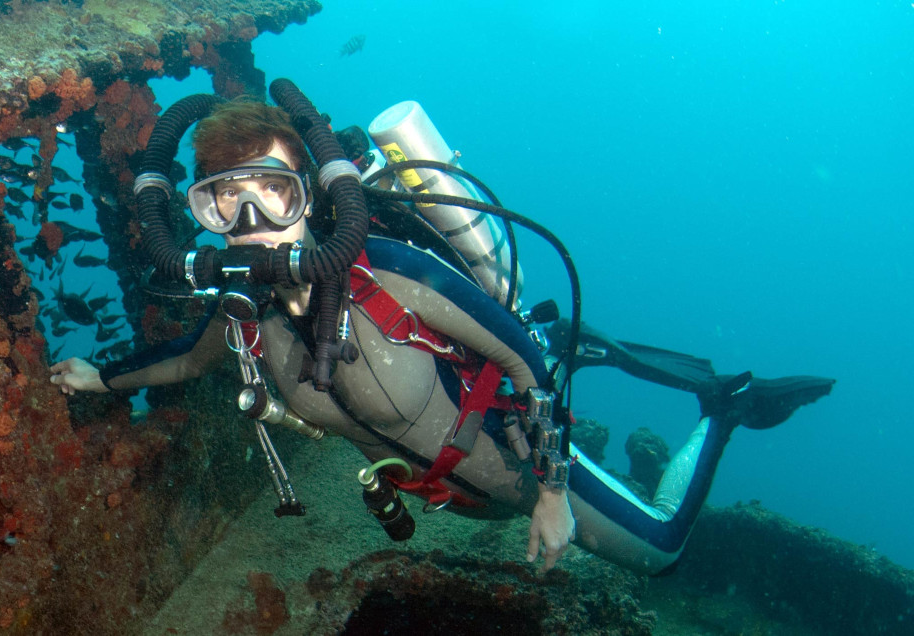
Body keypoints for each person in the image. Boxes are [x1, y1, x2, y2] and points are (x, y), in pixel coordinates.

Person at [50, 99, 834, 575]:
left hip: (518, 467)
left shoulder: (390, 271)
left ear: (314, 201)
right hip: (452, 497)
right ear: (198, 215)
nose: (250, 229)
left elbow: (524, 367)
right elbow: (184, 359)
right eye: (226, 205)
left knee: (664, 553)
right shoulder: (238, 318)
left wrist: (554, 495)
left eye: (273, 195)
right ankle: (580, 339)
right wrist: (100, 377)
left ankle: (723, 408)